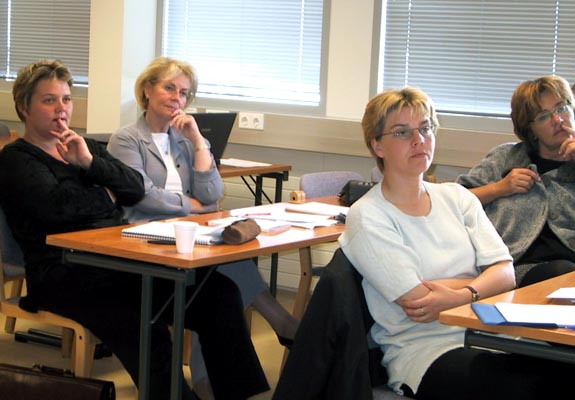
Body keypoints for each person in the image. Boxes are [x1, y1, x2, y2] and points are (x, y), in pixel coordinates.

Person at [0, 59, 269, 400]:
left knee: (219, 293)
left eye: (66, 99)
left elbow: (134, 187)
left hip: (115, 261)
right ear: (24, 107)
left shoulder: (86, 148)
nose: (61, 109)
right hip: (61, 271)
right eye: (48, 100)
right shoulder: (16, 159)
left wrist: (90, 164)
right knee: (145, 324)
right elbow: (59, 209)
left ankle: (237, 394)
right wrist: (107, 193)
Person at [338, 87, 574, 399]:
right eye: (402, 132)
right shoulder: (368, 216)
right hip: (427, 349)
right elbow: (419, 302)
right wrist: (483, 278)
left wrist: (462, 292)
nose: (419, 140)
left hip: (492, 334)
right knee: (530, 389)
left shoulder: (457, 197)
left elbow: (506, 274)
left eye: (425, 128)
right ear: (377, 145)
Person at [107, 57, 297, 397]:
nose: (177, 98)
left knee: (226, 264)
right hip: (146, 237)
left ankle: (207, 379)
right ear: (147, 89)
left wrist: (197, 141)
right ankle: (279, 322)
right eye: (169, 88)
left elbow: (213, 193)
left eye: (184, 92)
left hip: (188, 233)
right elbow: (141, 196)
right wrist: (192, 206)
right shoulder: (126, 139)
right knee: (217, 277)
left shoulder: (183, 138)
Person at [457, 75, 575, 287]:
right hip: (518, 268)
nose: (557, 120)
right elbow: (454, 202)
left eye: (561, 108)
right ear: (530, 130)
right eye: (543, 116)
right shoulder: (505, 157)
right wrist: (499, 188)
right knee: (562, 274)